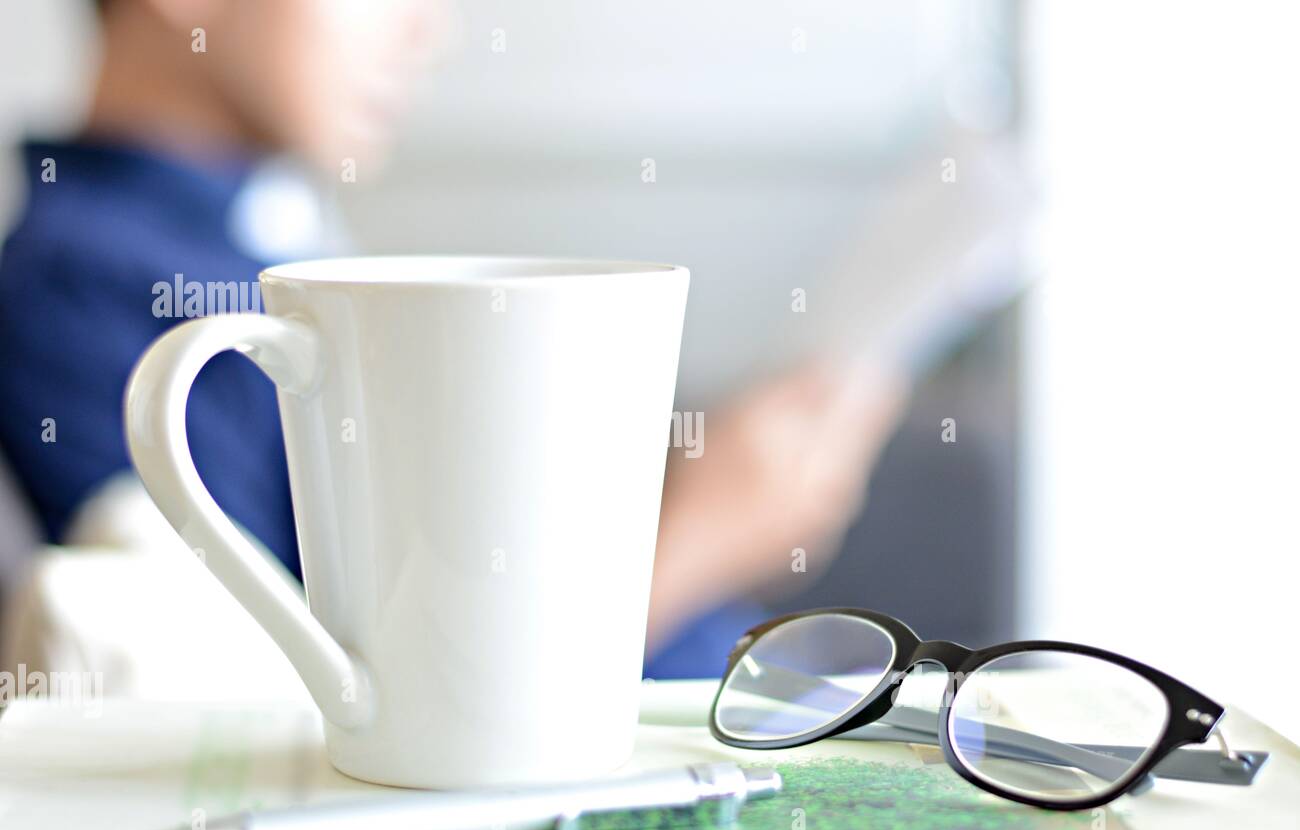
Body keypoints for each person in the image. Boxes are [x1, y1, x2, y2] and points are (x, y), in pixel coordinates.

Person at [0, 0, 903, 677]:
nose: (428, 28)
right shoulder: (79, 294)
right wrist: (699, 537)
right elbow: (295, 711)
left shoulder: (259, 235)